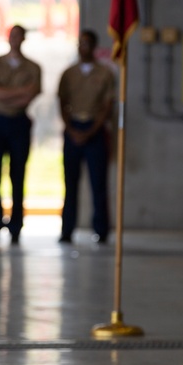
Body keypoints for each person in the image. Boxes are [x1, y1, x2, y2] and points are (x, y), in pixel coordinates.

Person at [0, 25, 42, 244]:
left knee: (17, 174)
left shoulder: (33, 67)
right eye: (12, 35)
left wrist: (2, 94)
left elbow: (30, 96)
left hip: (19, 122)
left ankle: (16, 225)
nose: (15, 39)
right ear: (8, 38)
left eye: (19, 36)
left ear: (24, 38)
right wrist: (18, 92)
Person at [57, 30, 115, 244]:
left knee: (98, 183)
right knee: (70, 184)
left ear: (94, 46)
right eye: (81, 43)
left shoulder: (105, 73)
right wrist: (72, 130)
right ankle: (67, 230)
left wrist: (90, 131)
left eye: (88, 44)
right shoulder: (69, 74)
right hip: (73, 126)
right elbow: (62, 102)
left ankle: (101, 230)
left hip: (95, 129)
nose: (84, 48)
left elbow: (106, 106)